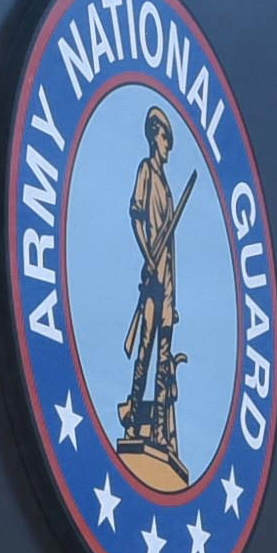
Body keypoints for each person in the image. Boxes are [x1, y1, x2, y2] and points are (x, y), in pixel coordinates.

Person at [117, 107, 184, 473]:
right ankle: (132, 418)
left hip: (168, 282)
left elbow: (171, 246)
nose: (167, 146)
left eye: (168, 140)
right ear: (153, 136)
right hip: (153, 278)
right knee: (144, 349)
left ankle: (159, 430)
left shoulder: (169, 188)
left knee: (164, 355)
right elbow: (136, 217)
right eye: (164, 138)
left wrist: (172, 290)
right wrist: (148, 259)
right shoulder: (146, 171)